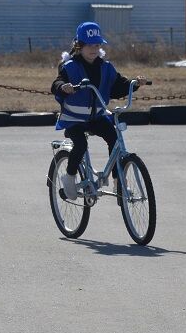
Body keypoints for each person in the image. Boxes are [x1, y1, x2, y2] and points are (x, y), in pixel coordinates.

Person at [51, 21, 147, 200]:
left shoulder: (105, 67)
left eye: (97, 44)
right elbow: (56, 83)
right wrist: (63, 87)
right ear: (79, 46)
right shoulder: (69, 66)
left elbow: (118, 85)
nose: (93, 49)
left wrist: (134, 84)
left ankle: (119, 180)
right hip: (75, 120)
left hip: (97, 117)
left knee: (114, 138)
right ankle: (69, 177)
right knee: (80, 145)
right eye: (89, 45)